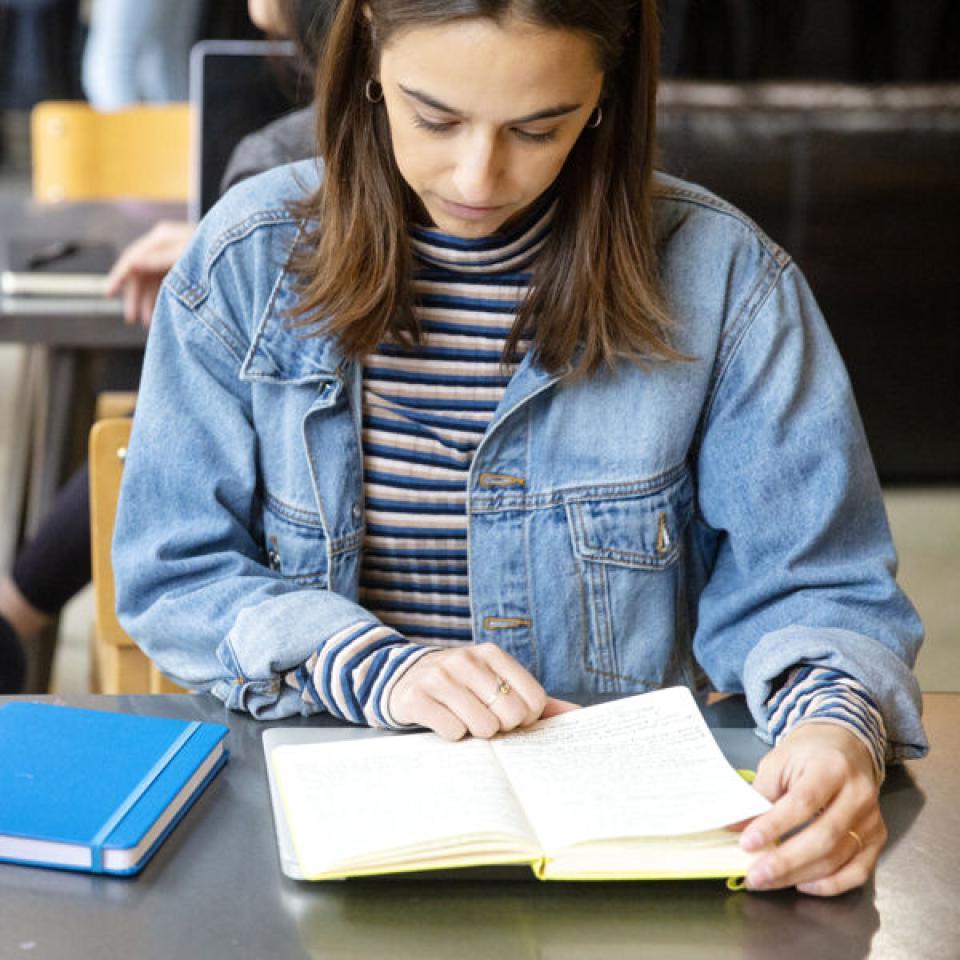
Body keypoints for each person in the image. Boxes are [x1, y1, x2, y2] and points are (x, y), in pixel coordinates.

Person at [113, 0, 928, 897]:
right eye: (435, 118)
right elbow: (174, 570)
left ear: (604, 98)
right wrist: (378, 668)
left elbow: (817, 585)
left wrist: (834, 727)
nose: (479, 175)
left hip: (627, 858)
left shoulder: (724, 278)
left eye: (539, 129)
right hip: (318, 841)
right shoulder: (246, 260)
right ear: (370, 57)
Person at [0, 0, 327, 694]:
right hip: (301, 637)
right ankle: (19, 606)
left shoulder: (279, 157)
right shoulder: (286, 161)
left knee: (163, 416)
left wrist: (230, 235)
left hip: (279, 625)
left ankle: (18, 607)